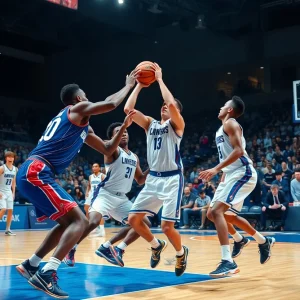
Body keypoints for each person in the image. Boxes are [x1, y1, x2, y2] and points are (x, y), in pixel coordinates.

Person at [15, 70, 139, 299]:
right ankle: (47, 273)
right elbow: (111, 103)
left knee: (66, 223)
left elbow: (107, 149)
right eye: (85, 95)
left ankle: (31, 265)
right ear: (79, 99)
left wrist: (123, 127)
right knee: (80, 221)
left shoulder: (83, 126)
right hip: (37, 170)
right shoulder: (76, 110)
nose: (88, 97)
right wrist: (129, 85)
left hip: (36, 172)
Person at [199, 96, 275, 278]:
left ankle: (228, 262)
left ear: (230, 110)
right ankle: (258, 241)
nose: (220, 107)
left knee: (217, 212)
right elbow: (229, 156)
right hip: (232, 175)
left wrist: (215, 169)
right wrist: (222, 177)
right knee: (214, 214)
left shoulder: (231, 123)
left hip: (243, 173)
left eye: (224, 105)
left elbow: (239, 151)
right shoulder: (222, 128)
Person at [126, 63, 188, 277]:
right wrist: (140, 85)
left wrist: (159, 79)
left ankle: (181, 253)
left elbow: (171, 103)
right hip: (153, 179)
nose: (164, 106)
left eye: (168, 106)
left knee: (167, 227)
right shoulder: (151, 124)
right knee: (133, 220)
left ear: (176, 112)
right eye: (161, 105)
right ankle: (155, 245)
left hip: (172, 179)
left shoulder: (177, 125)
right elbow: (128, 110)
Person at [64, 122, 150, 267]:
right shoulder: (112, 149)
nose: (123, 133)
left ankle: (113, 247)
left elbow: (140, 180)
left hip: (122, 198)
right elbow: (109, 146)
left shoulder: (134, 157)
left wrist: (152, 168)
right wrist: (123, 126)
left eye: (125, 131)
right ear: (112, 137)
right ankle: (71, 248)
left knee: (144, 223)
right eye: (118, 131)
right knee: (93, 222)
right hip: (105, 194)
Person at [84, 163, 106, 236]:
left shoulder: (102, 176)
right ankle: (93, 228)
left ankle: (102, 231)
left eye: (96, 166)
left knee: (99, 212)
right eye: (93, 166)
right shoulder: (90, 177)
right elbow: (89, 185)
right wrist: (87, 192)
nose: (94, 168)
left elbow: (107, 186)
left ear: (99, 168)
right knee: (86, 209)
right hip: (91, 195)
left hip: (99, 195)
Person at [0, 151, 18, 236]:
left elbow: (13, 181)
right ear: (6, 158)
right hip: (1, 191)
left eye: (12, 157)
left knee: (10, 210)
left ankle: (8, 230)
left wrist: (13, 192)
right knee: (3, 209)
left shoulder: (15, 169)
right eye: (9, 157)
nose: (11, 158)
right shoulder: (2, 168)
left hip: (9, 192)